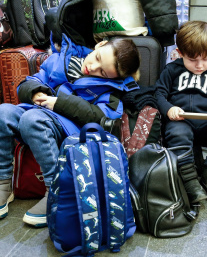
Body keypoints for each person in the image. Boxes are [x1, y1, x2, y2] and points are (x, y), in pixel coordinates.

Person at [0, 33, 140, 227]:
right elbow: (30, 80)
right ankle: (3, 184)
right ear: (100, 44)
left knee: (32, 120)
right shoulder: (62, 59)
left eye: (103, 73)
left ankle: (55, 192)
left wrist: (59, 103)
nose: (92, 68)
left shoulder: (113, 91)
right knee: (3, 113)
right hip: (38, 109)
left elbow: (100, 117)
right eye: (97, 58)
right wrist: (35, 91)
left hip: (68, 127)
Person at [155, 20, 207, 206]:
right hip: (181, 122)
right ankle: (190, 181)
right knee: (177, 132)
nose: (200, 65)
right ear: (180, 53)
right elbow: (159, 94)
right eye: (192, 60)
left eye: (206, 58)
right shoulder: (172, 70)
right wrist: (169, 109)